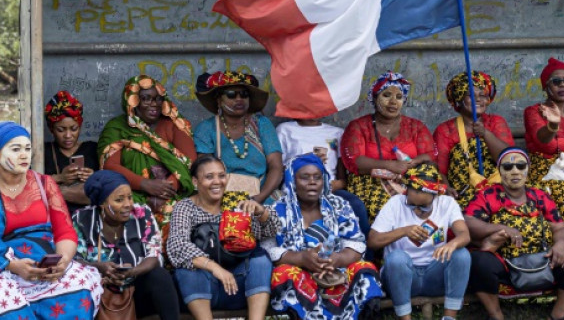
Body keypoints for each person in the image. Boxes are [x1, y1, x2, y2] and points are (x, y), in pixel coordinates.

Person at [0, 121, 102, 320]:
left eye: (27, 149)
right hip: (0, 266)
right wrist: (13, 265)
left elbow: (64, 231)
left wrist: (62, 262)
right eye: (16, 149)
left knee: (80, 283)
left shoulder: (44, 184)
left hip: (44, 262)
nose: (24, 155)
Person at [465, 148, 564, 320]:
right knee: (478, 261)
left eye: (520, 166)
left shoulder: (539, 195)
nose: (515, 171)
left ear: (527, 169)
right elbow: (468, 222)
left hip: (545, 260)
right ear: (500, 171)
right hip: (505, 263)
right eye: (508, 167)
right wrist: (500, 228)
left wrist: (560, 244)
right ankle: (496, 315)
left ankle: (559, 313)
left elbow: (559, 227)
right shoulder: (488, 195)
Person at [263, 153, 383, 320]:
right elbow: (269, 250)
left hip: (336, 272)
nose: (312, 182)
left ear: (324, 180)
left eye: (317, 177)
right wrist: (302, 258)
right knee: (283, 274)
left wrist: (336, 259)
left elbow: (356, 243)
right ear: (293, 181)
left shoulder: (339, 205)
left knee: (365, 269)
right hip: (300, 274)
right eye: (305, 177)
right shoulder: (277, 210)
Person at [167, 155, 277, 320]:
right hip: (200, 291)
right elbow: (177, 246)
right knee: (188, 270)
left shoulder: (237, 202)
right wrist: (216, 269)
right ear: (196, 182)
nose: (217, 181)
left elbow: (270, 231)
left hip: (236, 287)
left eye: (221, 175)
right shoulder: (186, 208)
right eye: (209, 177)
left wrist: (261, 212)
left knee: (261, 259)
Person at [72, 170, 179, 320]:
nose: (128, 204)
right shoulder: (82, 219)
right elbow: (74, 260)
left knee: (159, 276)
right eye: (119, 200)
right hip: (99, 293)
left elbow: (154, 255)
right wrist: (99, 269)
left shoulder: (141, 214)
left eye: (129, 197)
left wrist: (131, 272)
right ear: (102, 203)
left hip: (136, 291)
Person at [369, 163, 470, 320]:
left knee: (461, 254)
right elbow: (373, 241)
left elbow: (464, 235)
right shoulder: (395, 203)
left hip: (434, 274)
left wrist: (452, 244)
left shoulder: (447, 203)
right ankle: (405, 318)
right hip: (402, 279)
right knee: (397, 258)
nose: (416, 210)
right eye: (412, 204)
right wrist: (404, 231)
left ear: (434, 196)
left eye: (422, 206)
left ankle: (449, 317)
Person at [98, 75, 196, 237]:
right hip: (130, 194)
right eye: (146, 99)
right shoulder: (117, 128)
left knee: (175, 219)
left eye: (158, 99)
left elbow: (189, 160)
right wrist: (145, 184)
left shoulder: (174, 124)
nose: (154, 104)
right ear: (133, 101)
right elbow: (110, 166)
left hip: (172, 194)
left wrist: (166, 190)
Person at [340, 71, 437, 221]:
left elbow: (430, 155)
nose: (393, 102)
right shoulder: (359, 126)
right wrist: (390, 165)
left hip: (410, 181)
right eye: (386, 95)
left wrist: (413, 162)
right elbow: (355, 161)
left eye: (399, 97)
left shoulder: (415, 126)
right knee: (387, 211)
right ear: (375, 97)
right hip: (370, 183)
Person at [523, 57, 564, 238]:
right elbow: (542, 140)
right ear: (546, 86)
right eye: (556, 81)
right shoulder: (533, 111)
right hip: (547, 170)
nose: (562, 85)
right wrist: (553, 124)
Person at [276, 118, 371, 246]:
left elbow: (343, 178)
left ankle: (364, 256)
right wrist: (306, 159)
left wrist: (336, 184)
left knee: (356, 204)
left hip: (330, 188)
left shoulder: (337, 133)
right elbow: (277, 169)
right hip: (296, 188)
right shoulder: (285, 129)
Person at [193, 71, 283, 204]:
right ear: (219, 100)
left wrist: (259, 199)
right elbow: (204, 171)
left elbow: (276, 166)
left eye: (244, 94)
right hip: (219, 197)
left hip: (262, 195)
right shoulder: (207, 128)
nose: (239, 99)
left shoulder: (262, 124)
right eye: (231, 95)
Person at [434, 71, 514, 208]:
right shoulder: (445, 130)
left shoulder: (496, 122)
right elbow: (439, 170)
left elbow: (509, 159)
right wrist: (446, 188)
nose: (478, 99)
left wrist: (486, 134)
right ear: (459, 99)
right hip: (465, 193)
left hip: (500, 190)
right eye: (470, 95)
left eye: (483, 95)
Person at [44, 90, 98, 213]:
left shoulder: (93, 149)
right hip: (56, 216)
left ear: (80, 126)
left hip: (89, 217)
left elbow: (110, 185)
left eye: (74, 129)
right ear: (51, 129)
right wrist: (60, 177)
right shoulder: (43, 152)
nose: (68, 135)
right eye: (61, 130)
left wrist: (94, 177)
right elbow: (30, 183)